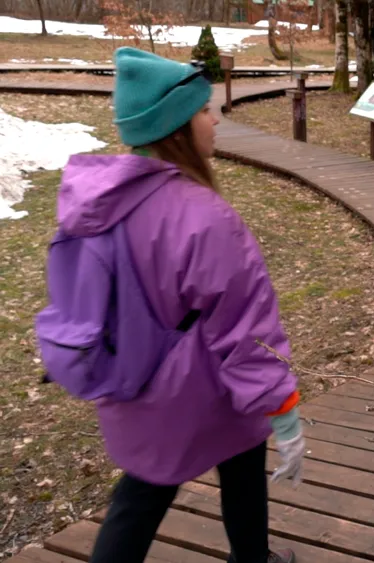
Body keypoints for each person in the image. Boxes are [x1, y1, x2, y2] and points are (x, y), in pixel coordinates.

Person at [34, 47, 303, 563]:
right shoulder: (204, 216)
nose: (214, 119)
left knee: (139, 498)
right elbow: (246, 331)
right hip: (202, 390)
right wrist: (284, 411)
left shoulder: (94, 200)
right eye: (204, 110)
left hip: (132, 385)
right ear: (176, 125)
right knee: (243, 463)